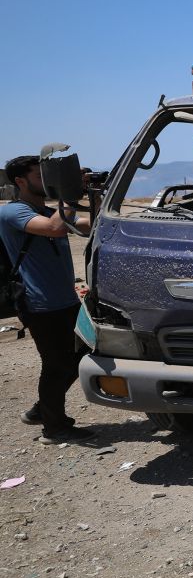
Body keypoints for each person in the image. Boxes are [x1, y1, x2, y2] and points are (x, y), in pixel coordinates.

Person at [1, 155, 94, 443]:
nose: (48, 182)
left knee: (81, 356)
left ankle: (42, 411)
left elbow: (90, 226)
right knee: (57, 365)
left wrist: (95, 195)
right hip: (38, 302)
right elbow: (55, 228)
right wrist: (67, 189)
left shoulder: (48, 209)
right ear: (20, 181)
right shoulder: (12, 211)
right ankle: (54, 428)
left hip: (63, 299)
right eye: (40, 177)